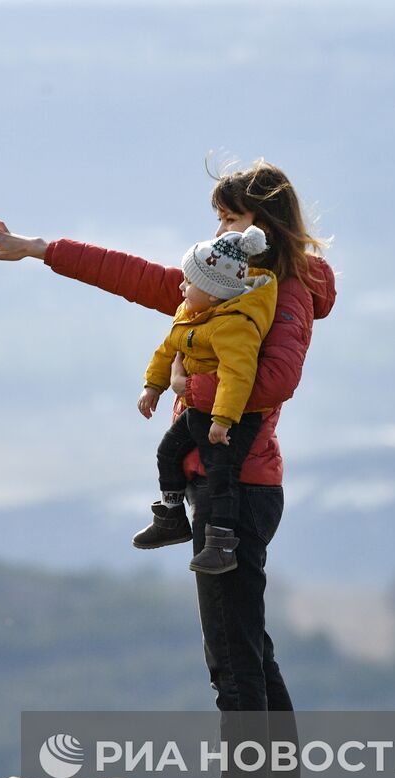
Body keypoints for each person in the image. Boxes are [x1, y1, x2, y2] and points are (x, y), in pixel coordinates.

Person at [0, 159, 335, 778]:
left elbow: (276, 377)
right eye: (218, 219)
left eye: (230, 218)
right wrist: (39, 249)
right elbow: (136, 276)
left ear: (265, 224)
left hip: (241, 490)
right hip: (224, 485)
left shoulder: (280, 291)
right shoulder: (229, 282)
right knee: (249, 645)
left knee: (232, 655)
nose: (219, 230)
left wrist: (189, 382)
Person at [134, 226, 277, 575]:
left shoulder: (234, 326)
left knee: (221, 475)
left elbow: (237, 375)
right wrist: (153, 386)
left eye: (189, 282)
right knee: (167, 452)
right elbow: (167, 349)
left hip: (226, 417)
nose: (182, 288)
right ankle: (170, 516)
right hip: (198, 409)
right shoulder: (191, 314)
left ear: (213, 293)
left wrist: (223, 420)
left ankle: (222, 544)